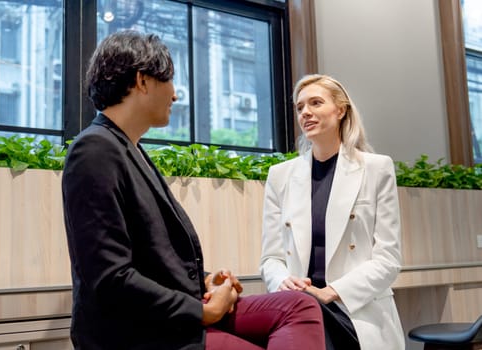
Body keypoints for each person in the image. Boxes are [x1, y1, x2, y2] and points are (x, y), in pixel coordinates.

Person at [62, 30, 325, 350]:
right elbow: (109, 279)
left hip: (169, 313)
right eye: (169, 81)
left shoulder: (130, 150)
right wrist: (202, 310)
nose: (175, 95)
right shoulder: (94, 150)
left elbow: (150, 261)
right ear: (142, 81)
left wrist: (204, 281)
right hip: (136, 333)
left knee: (300, 305)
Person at [259, 74, 405, 350]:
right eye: (300, 107)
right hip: (299, 308)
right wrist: (284, 282)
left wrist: (330, 293)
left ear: (340, 110)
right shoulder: (280, 176)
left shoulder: (376, 169)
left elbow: (388, 259)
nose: (306, 113)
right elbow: (270, 258)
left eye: (315, 103)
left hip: (355, 308)